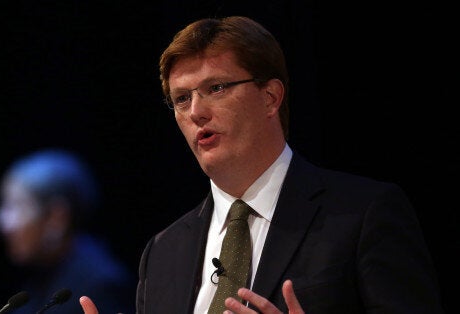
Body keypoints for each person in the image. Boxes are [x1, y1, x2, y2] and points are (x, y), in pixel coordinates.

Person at [79, 16, 443, 314]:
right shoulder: (162, 252)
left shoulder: (362, 215)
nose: (196, 112)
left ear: (270, 97)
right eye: (181, 98)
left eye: (217, 88)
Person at [0, 148, 135, 314]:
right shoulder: (36, 284)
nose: (1, 222)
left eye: (16, 206)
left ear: (56, 218)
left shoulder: (100, 287)